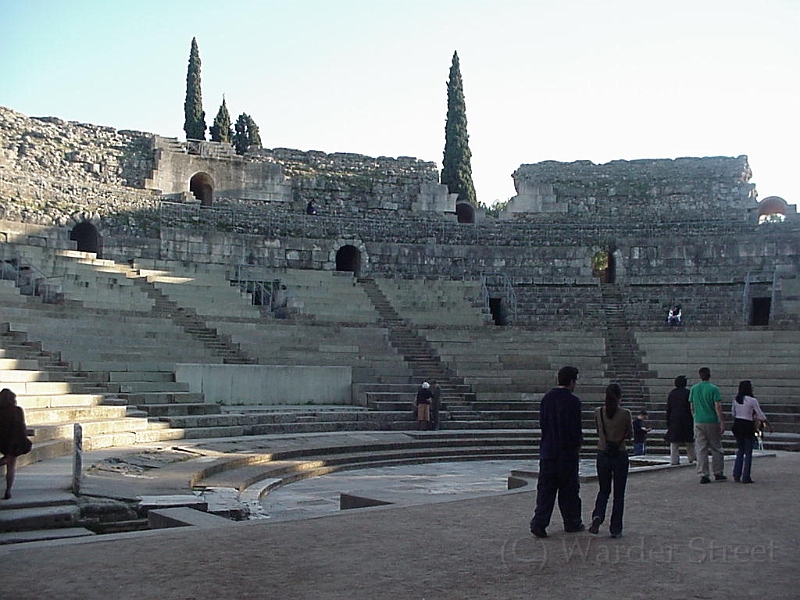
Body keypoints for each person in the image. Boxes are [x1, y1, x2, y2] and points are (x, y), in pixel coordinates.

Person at [529, 366, 585, 538]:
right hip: (566, 453)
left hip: (548, 452)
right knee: (569, 491)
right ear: (571, 381)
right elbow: (575, 429)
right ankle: (572, 522)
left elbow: (543, 424)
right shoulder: (573, 402)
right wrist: (577, 444)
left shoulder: (546, 399)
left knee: (546, 491)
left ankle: (539, 523)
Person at [588, 383, 633, 538]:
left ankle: (598, 515)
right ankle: (615, 528)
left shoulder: (598, 412)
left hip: (602, 453)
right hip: (620, 454)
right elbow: (630, 435)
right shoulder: (626, 413)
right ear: (620, 397)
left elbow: (597, 431)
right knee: (619, 494)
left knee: (603, 489)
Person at [689, 367, 726, 484]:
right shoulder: (714, 389)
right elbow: (718, 407)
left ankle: (703, 474)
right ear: (710, 375)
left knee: (701, 448)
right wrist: (721, 422)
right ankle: (718, 472)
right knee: (716, 447)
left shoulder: (694, 389)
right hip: (712, 420)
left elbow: (692, 407)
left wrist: (695, 417)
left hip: (698, 420)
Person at [731, 380, 772, 484]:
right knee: (748, 452)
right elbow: (761, 415)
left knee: (740, 450)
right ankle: (746, 476)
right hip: (747, 424)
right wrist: (769, 424)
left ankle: (736, 474)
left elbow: (733, 413)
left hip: (738, 423)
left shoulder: (736, 399)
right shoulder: (752, 400)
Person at [0, 388, 31, 500]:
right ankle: (8, 491)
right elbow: (21, 427)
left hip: (2, 442)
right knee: (11, 467)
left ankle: (5, 459)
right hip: (13, 441)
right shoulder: (17, 410)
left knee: (9, 460)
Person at [664, 375, 696, 465]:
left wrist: (668, 422)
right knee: (689, 442)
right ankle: (692, 459)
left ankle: (674, 460)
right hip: (687, 420)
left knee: (674, 443)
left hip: (674, 420)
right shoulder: (688, 393)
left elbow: (668, 409)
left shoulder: (672, 393)